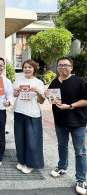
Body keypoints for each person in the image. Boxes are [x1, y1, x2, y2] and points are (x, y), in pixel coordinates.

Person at [45, 57, 87, 195]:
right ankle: (62, 167)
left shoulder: (79, 81)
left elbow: (86, 100)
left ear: (71, 67)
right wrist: (47, 95)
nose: (62, 67)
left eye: (65, 65)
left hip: (78, 122)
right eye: (60, 65)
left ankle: (81, 179)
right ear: (57, 68)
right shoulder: (55, 82)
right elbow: (53, 99)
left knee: (80, 151)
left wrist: (70, 106)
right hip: (60, 122)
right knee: (62, 146)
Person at [13, 59, 45, 174]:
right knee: (20, 138)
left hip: (33, 113)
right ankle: (21, 161)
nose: (27, 69)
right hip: (19, 111)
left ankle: (31, 164)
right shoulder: (18, 80)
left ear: (34, 69)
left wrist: (38, 93)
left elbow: (41, 101)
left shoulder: (38, 83)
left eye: (29, 67)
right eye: (25, 67)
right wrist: (16, 92)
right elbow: (14, 94)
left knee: (32, 140)